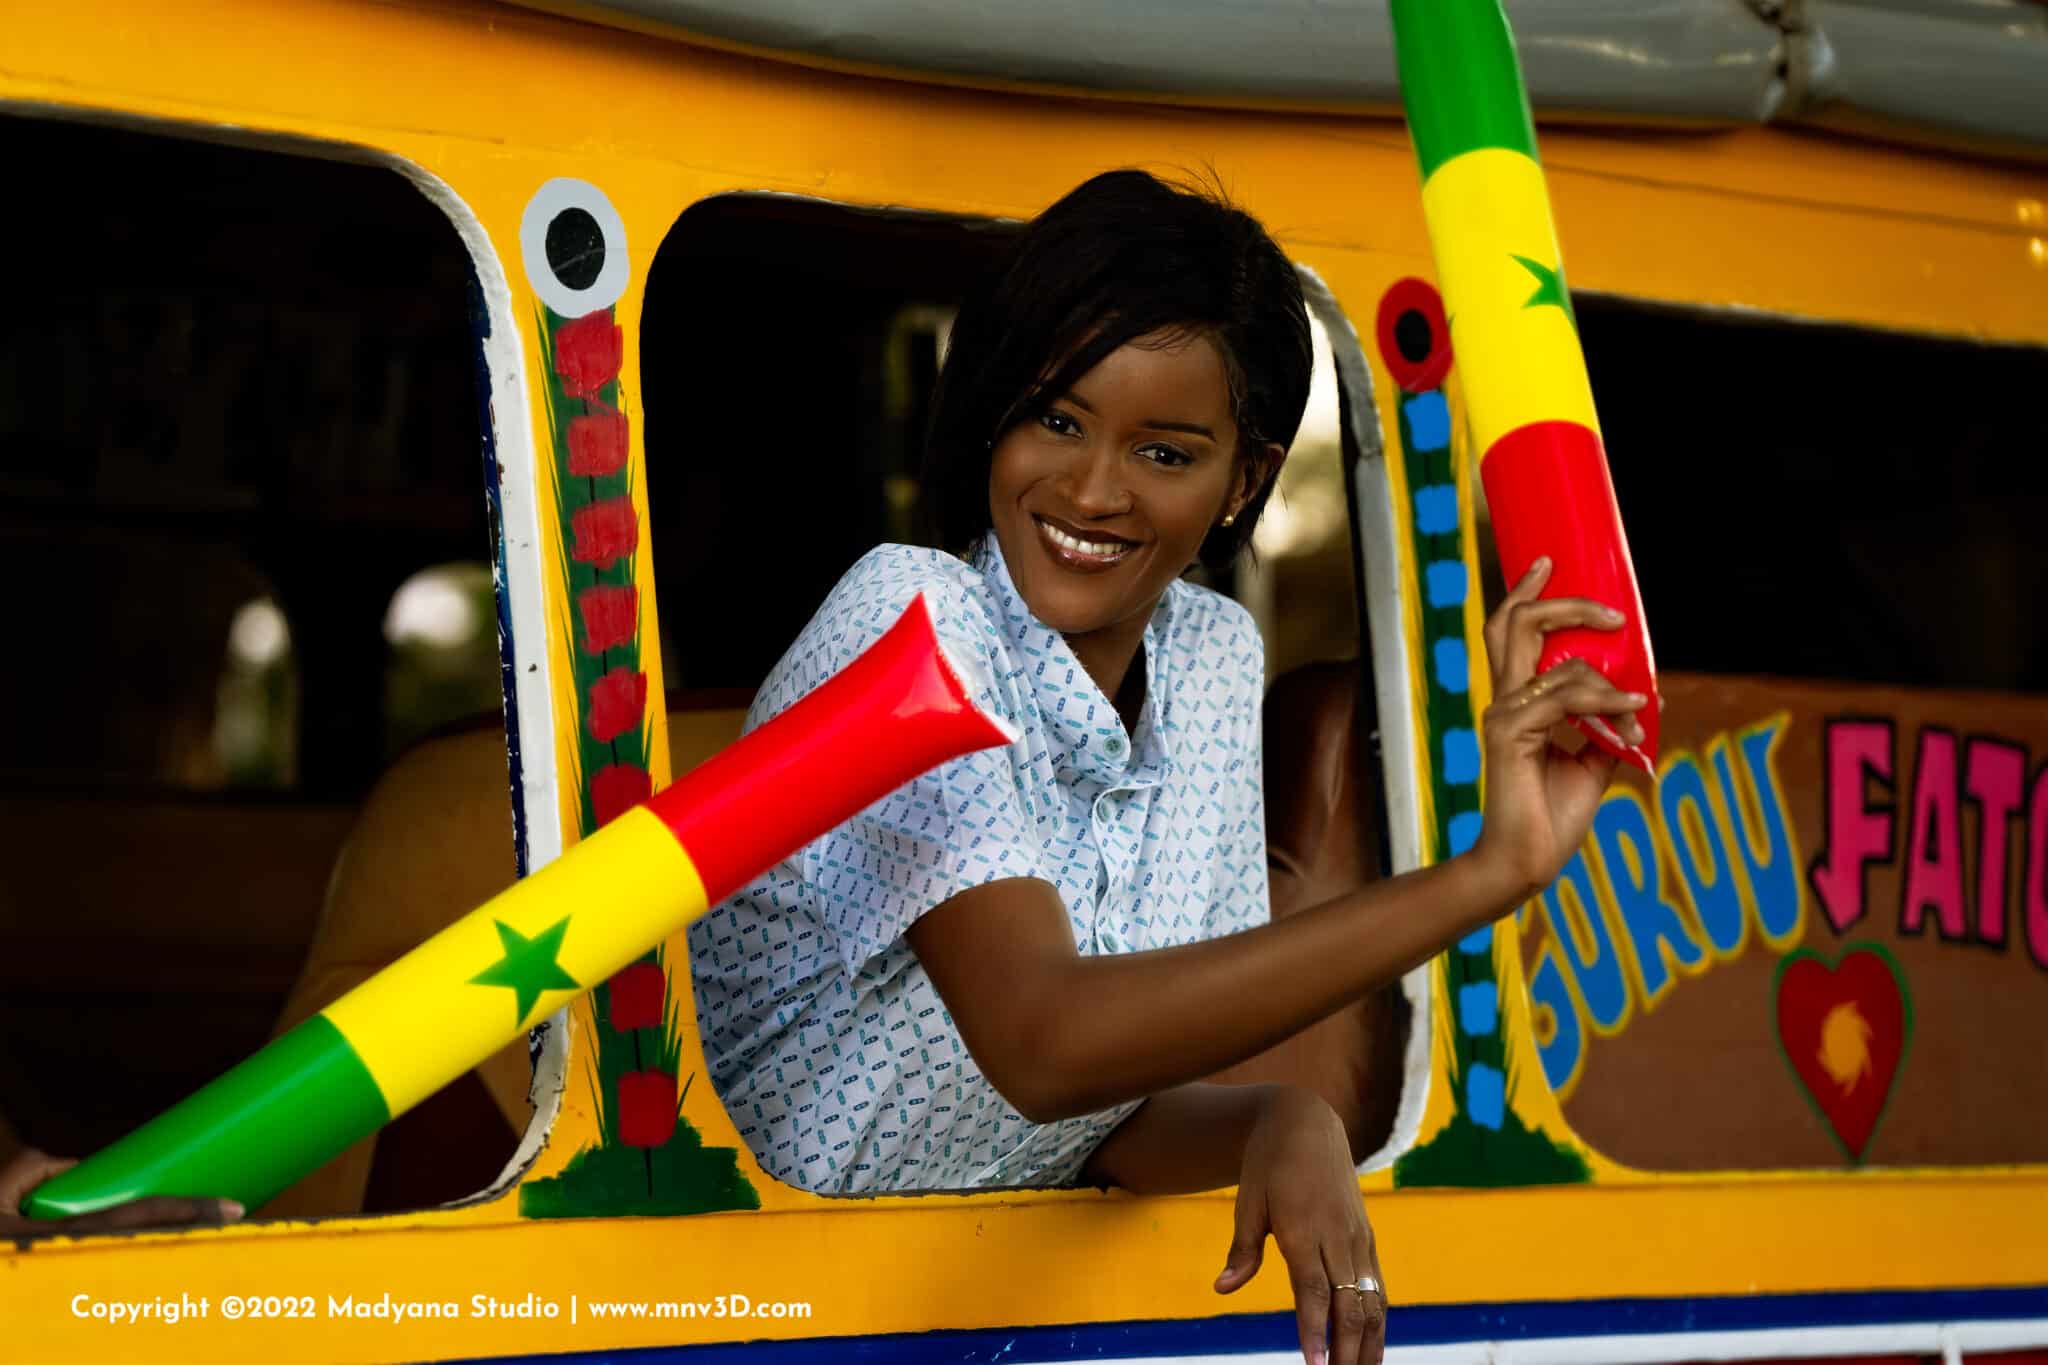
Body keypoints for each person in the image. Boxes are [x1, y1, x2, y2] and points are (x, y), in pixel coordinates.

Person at [687, 169, 1647, 1365]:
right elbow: (1044, 1048)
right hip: (727, 1310)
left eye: (1163, 449)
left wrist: (1274, 1119)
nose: (1091, 489)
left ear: (1242, 479)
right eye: (1054, 418)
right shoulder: (910, 619)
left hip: (969, 1319)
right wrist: (1485, 874)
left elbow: (1103, 1116)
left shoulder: (1208, 658)